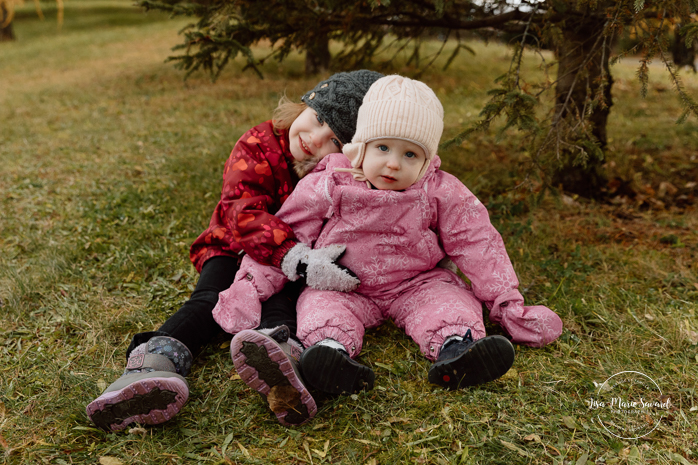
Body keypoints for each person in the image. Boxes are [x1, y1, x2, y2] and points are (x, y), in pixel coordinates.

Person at [213, 75, 563, 413]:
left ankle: (457, 349)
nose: (394, 164)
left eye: (410, 155)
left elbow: (477, 243)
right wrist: (248, 288)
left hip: (415, 283)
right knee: (321, 309)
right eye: (382, 148)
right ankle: (329, 354)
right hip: (342, 284)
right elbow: (291, 233)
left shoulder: (439, 189)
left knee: (447, 301)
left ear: (427, 160)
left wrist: (507, 304)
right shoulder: (331, 182)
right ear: (360, 145)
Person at [85, 70, 384, 431]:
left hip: (294, 264)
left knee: (281, 305)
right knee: (210, 299)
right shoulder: (259, 144)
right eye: (318, 118)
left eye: (335, 140)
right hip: (233, 244)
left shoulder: (335, 176)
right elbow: (241, 211)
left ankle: (282, 365)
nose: (314, 138)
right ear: (306, 102)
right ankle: (152, 367)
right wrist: (292, 255)